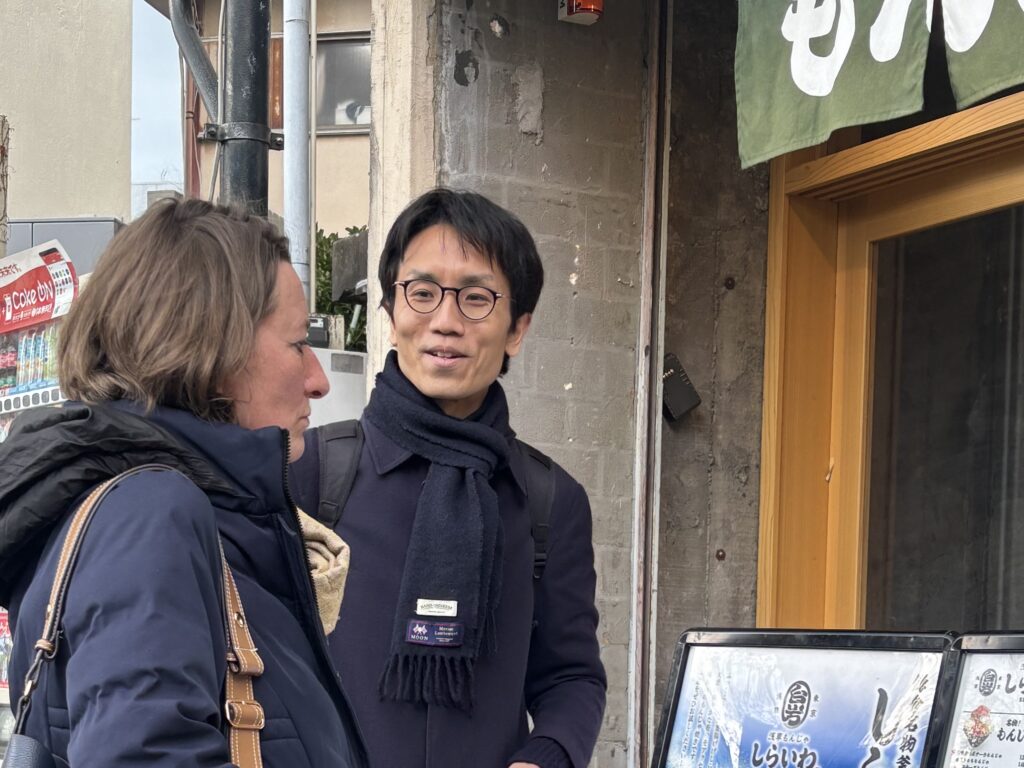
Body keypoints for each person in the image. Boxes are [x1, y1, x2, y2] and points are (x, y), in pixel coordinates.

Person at [0, 199, 367, 767]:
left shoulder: (149, 505)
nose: (318, 380)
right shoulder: (149, 511)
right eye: (298, 344)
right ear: (209, 349)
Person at [291, 188, 607, 768]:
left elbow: (571, 677)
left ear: (517, 329)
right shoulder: (312, 473)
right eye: (423, 292)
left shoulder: (547, 500)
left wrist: (547, 756)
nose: (445, 321)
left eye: (476, 298)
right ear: (390, 312)